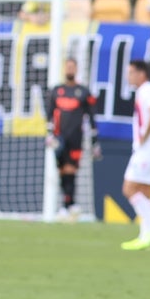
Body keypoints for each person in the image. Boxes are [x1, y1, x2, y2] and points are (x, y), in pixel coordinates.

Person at [45, 58, 99, 220]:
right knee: (61, 171)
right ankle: (68, 205)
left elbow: (91, 116)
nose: (70, 69)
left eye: (72, 67)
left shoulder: (83, 91)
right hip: (59, 137)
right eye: (67, 66)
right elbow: (49, 114)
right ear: (64, 69)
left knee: (71, 170)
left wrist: (95, 140)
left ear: (76, 69)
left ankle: (69, 205)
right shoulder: (56, 90)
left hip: (76, 137)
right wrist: (49, 134)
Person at [120, 60, 150, 249]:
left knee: (129, 188)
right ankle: (146, 234)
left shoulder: (148, 90)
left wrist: (143, 136)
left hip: (147, 149)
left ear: (141, 73)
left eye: (131, 72)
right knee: (145, 191)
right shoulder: (144, 91)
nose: (128, 76)